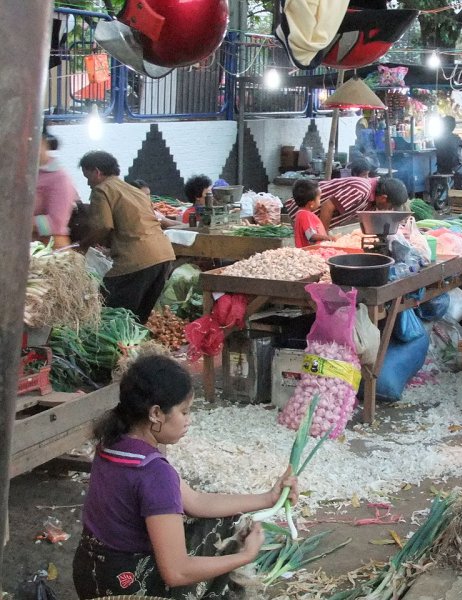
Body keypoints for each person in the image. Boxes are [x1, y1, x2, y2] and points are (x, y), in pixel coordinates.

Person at [72, 355, 298, 599]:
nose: (188, 421)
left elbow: (197, 502)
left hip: (90, 573)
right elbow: (176, 573)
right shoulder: (155, 474)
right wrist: (244, 556)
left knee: (225, 520)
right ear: (156, 413)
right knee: (227, 536)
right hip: (126, 589)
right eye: (184, 411)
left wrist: (269, 497)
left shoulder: (113, 443)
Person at [79, 151, 175, 323]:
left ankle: (116, 349)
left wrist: (83, 245)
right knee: (137, 319)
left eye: (87, 177)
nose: (88, 183)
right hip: (163, 256)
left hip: (136, 260)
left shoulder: (102, 190)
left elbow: (103, 226)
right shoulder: (134, 190)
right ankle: (134, 349)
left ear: (97, 172)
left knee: (110, 315)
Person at [284, 176, 409, 231]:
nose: (388, 209)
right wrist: (323, 237)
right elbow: (328, 206)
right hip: (302, 214)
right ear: (383, 198)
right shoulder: (362, 189)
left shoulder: (371, 200)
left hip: (313, 222)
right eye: (390, 206)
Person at [34, 127, 79, 249]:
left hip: (48, 251)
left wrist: (18, 221)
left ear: (42, 142)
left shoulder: (59, 178)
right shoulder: (26, 173)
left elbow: (55, 223)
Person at [291, 179, 332, 248]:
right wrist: (327, 238)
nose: (320, 201)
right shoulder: (305, 215)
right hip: (309, 252)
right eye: (319, 198)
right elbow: (311, 236)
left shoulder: (301, 214)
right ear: (311, 203)